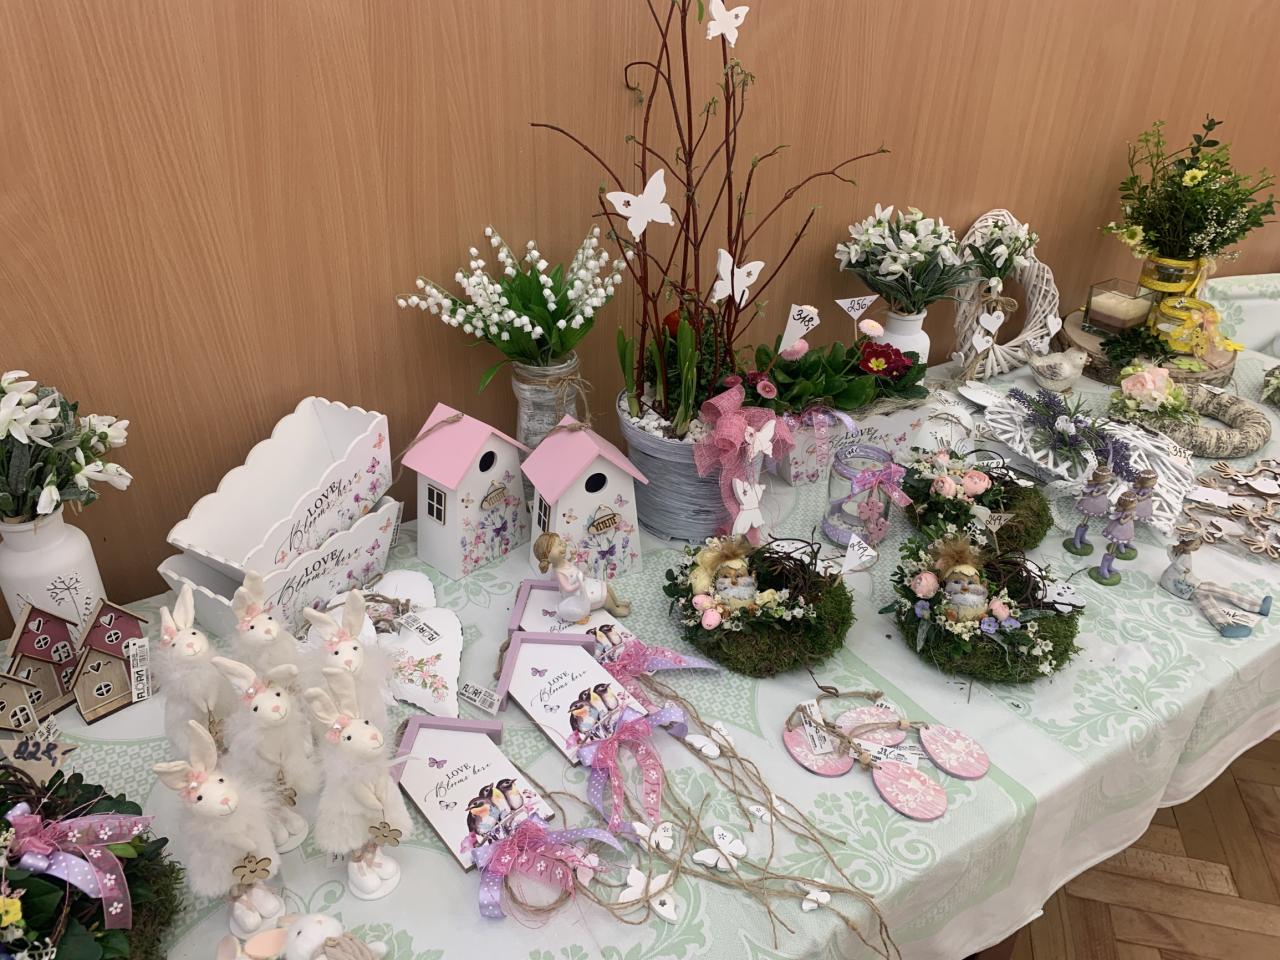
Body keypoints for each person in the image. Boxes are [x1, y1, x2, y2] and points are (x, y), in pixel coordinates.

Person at [533, 532, 632, 622]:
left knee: (606, 585)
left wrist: (572, 558)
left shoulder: (563, 562)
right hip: (577, 595)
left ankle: (616, 602)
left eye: (561, 542)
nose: (563, 545)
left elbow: (570, 566)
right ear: (548, 556)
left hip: (585, 583)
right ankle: (614, 610)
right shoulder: (559, 573)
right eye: (558, 545)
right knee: (605, 597)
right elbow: (568, 588)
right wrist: (579, 582)